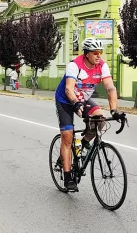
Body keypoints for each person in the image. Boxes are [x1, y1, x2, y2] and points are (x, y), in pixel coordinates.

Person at [55, 37, 122, 191]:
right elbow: (68, 89)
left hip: (84, 99)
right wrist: (75, 103)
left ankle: (83, 145)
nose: (99, 56)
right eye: (96, 53)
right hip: (65, 100)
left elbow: (110, 88)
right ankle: (67, 177)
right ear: (86, 54)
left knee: (100, 120)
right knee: (68, 136)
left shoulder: (102, 66)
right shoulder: (74, 65)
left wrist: (114, 110)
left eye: (101, 52)